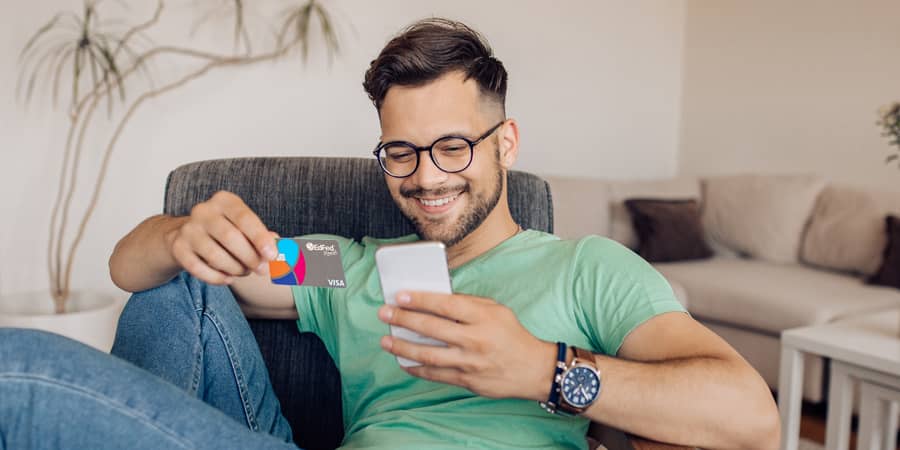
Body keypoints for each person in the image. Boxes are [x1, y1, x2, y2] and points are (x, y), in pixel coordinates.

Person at [0, 18, 780, 449]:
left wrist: (543, 368)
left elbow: (751, 414)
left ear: (505, 144)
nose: (427, 176)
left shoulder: (586, 269)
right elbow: (129, 269)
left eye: (453, 146)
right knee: (172, 292)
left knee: (15, 373)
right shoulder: (351, 266)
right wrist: (179, 232)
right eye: (401, 151)